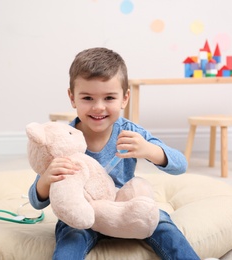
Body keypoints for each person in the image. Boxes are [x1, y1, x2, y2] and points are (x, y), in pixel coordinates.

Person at [28, 47, 200, 260]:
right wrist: (46, 180)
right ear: (72, 98)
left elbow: (180, 164)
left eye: (109, 98)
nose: (98, 107)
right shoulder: (63, 140)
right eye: (88, 98)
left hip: (126, 208)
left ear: (124, 98)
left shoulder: (131, 132)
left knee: (162, 222)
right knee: (70, 236)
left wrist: (150, 150)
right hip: (84, 214)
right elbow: (36, 202)